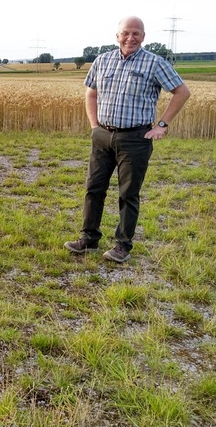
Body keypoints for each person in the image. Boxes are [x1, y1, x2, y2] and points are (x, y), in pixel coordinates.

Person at [64, 16, 191, 263]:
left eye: (136, 33)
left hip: (135, 138)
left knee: (128, 193)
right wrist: (94, 126)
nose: (130, 38)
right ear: (117, 35)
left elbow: (182, 92)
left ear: (144, 36)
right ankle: (88, 239)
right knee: (93, 188)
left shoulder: (155, 63)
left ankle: (123, 245)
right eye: (126, 33)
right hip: (103, 135)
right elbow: (91, 93)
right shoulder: (103, 60)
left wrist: (161, 125)